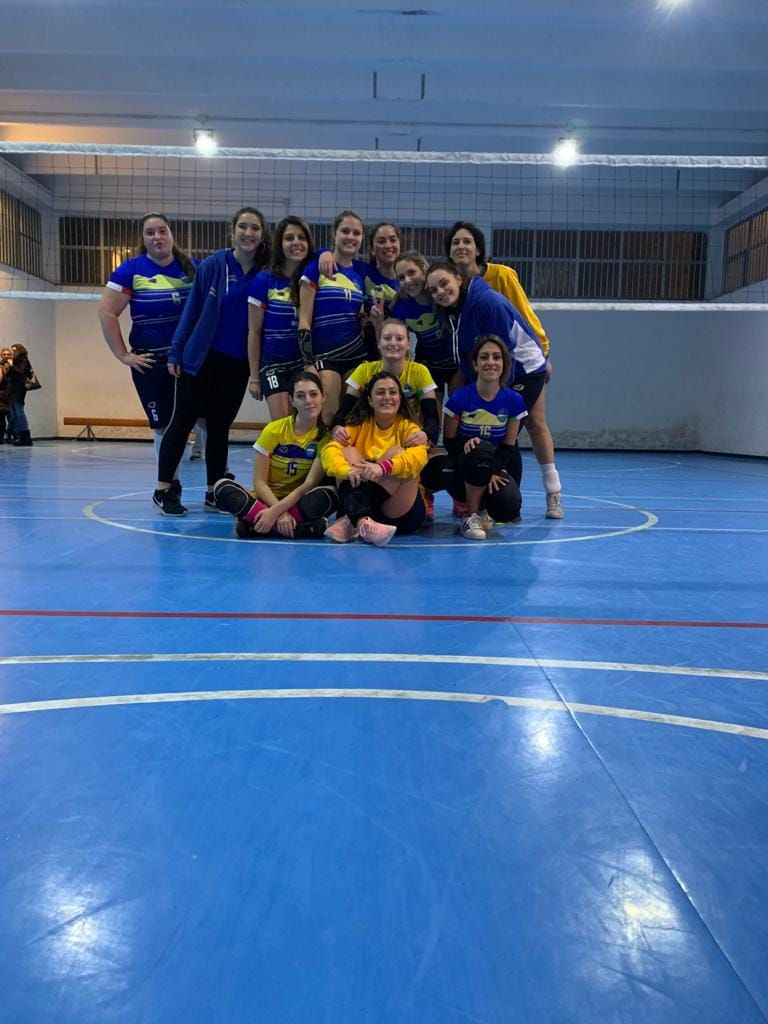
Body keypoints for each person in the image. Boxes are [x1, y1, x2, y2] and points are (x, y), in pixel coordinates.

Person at [152, 206, 270, 515]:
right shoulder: (214, 265)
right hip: (201, 358)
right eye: (243, 226)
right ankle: (164, 489)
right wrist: (176, 351)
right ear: (233, 230)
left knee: (220, 427)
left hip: (237, 363)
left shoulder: (266, 271)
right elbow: (192, 309)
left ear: (262, 235)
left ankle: (214, 490)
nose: (248, 233)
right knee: (182, 421)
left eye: (255, 228)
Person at [426, 259, 563, 519]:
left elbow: (504, 353)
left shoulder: (487, 301)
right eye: (434, 290)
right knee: (485, 431)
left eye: (444, 283)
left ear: (459, 278)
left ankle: (518, 498)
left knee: (509, 430)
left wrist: (498, 397)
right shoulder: (455, 311)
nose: (440, 292)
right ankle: (481, 495)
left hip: (524, 370)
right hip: (496, 372)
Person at [98, 212, 197, 483]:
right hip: (151, 363)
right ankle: (169, 484)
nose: (157, 237)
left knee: (202, 421)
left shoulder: (192, 268)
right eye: (150, 232)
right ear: (143, 239)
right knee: (163, 426)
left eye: (162, 231)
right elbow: (106, 312)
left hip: (186, 361)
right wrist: (123, 355)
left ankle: (216, 486)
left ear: (171, 234)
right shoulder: (131, 270)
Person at [422, 336, 527, 541]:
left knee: (508, 507)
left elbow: (508, 447)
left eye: (496, 357)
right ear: (475, 364)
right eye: (484, 357)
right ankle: (470, 516)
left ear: (504, 364)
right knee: (442, 468)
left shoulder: (514, 401)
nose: (490, 362)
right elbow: (450, 442)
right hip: (462, 463)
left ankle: (483, 507)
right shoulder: (460, 398)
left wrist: (491, 471)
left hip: (492, 465)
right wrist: (467, 445)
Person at [213, 371, 338, 539]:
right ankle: (300, 529)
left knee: (330, 494)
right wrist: (279, 513)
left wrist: (276, 512)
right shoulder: (274, 430)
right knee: (221, 487)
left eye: (313, 394)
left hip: (297, 502)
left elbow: (309, 484)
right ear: (292, 400)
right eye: (300, 396)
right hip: (265, 500)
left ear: (323, 398)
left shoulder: (325, 438)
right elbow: (259, 483)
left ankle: (255, 525)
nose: (308, 401)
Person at [321, 371, 428, 546]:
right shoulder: (357, 426)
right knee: (347, 452)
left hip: (399, 512)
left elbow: (420, 456)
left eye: (393, 392)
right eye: (380, 392)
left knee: (397, 452)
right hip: (367, 507)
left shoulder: (409, 427)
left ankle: (352, 519)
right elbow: (329, 451)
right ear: (370, 400)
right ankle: (363, 522)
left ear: (400, 398)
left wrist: (383, 467)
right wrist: (346, 471)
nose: (387, 397)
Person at [298, 211, 367, 424]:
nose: (351, 237)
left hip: (356, 355)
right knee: (328, 417)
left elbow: (358, 318)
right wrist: (308, 363)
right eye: (345, 231)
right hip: (326, 356)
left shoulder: (358, 277)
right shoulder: (316, 267)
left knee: (352, 420)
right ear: (334, 233)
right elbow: (304, 319)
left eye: (356, 233)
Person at [248, 216, 315, 421]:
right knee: (282, 422)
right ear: (280, 244)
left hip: (301, 363)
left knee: (303, 423)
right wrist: (254, 378)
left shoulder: (312, 279)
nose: (296, 242)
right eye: (289, 238)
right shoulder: (264, 279)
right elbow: (254, 332)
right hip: (273, 364)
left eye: (301, 237)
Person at [2, 344, 38, 446]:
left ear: (19, 350)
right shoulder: (15, 361)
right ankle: (19, 436)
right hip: (11, 391)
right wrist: (9, 367)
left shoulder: (24, 361)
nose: (12, 353)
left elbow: (20, 374)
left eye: (14, 351)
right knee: (14, 415)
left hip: (18, 391)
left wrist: (11, 365)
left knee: (19, 413)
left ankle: (26, 437)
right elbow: (9, 376)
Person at [0, 346, 12, 442]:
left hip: (12, 394)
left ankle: (10, 435)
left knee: (13, 417)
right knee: (1, 417)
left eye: (8, 354)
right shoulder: (0, 366)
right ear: (1, 355)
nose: (6, 356)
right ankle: (1, 437)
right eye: (4, 354)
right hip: (2, 395)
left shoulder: (14, 366)